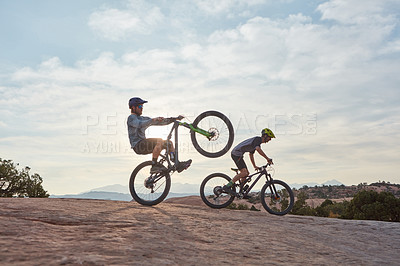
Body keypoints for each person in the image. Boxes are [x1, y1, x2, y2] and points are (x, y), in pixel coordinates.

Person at [127, 97, 192, 173]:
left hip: (144, 144)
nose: (142, 108)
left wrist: (173, 119)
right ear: (133, 107)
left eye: (142, 106)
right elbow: (139, 124)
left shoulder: (143, 118)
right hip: (138, 146)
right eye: (140, 106)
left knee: (169, 143)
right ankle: (154, 166)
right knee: (159, 140)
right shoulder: (131, 118)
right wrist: (152, 120)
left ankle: (177, 164)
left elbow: (160, 122)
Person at [223, 128, 275, 195]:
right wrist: (267, 159)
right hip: (236, 154)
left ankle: (241, 193)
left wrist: (254, 166)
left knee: (246, 174)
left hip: (238, 155)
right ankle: (227, 186)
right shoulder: (257, 140)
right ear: (265, 136)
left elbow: (251, 155)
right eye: (269, 137)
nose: (270, 139)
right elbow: (258, 150)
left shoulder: (255, 143)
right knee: (245, 173)